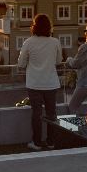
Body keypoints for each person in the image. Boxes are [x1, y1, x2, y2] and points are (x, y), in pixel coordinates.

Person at [17, 14, 62, 151]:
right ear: (49, 27)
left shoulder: (28, 42)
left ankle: (36, 142)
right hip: (51, 83)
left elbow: (21, 63)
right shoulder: (55, 42)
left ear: (34, 26)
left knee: (36, 114)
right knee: (51, 114)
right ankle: (51, 141)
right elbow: (59, 61)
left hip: (34, 83)